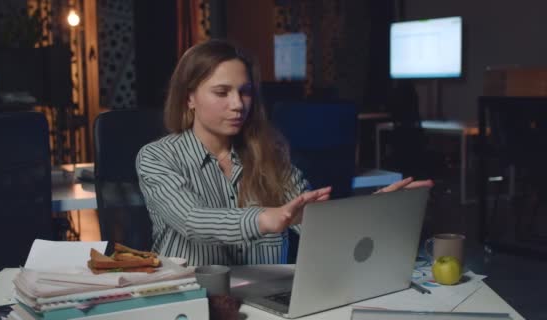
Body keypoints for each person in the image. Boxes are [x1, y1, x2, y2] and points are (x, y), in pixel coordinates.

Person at [136, 39, 432, 266]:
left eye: (245, 91)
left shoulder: (270, 155)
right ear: (189, 97)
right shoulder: (156, 157)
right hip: (190, 299)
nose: (239, 104)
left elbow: (314, 224)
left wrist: (374, 208)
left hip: (266, 300)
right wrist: (267, 218)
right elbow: (192, 220)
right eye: (222, 92)